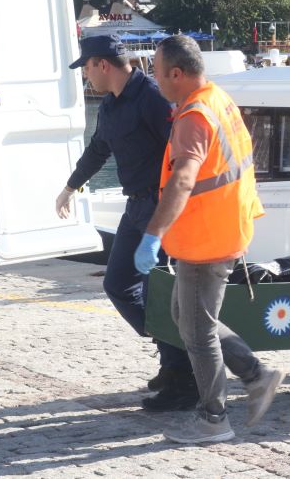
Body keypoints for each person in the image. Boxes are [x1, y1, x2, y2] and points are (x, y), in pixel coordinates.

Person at [135, 35, 285, 444]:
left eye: (157, 72)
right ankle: (257, 374)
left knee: (197, 329)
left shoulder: (194, 117)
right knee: (188, 318)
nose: (155, 80)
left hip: (207, 238)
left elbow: (183, 179)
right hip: (219, 228)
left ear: (177, 74)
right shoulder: (217, 99)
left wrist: (152, 234)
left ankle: (214, 418)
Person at [57, 34, 198, 412]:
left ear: (102, 64)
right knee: (118, 284)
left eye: (86, 68)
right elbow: (99, 148)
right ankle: (172, 353)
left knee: (161, 294)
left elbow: (182, 151)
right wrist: (70, 186)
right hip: (136, 209)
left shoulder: (152, 97)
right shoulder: (110, 105)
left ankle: (182, 378)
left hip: (162, 208)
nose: (85, 76)